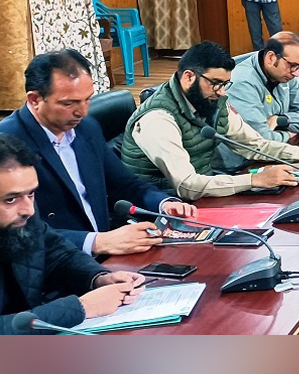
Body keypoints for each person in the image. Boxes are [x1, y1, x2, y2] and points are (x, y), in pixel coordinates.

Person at [0, 50, 195, 257]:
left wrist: (164, 204)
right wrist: (96, 242)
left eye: (87, 100)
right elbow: (16, 231)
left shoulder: (87, 128)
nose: (82, 112)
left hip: (105, 253)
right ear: (34, 99)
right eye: (69, 103)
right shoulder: (8, 143)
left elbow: (124, 184)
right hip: (52, 263)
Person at [120, 41, 299, 201]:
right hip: (163, 206)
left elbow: (255, 145)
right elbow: (187, 185)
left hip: (204, 194)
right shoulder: (158, 119)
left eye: (225, 84)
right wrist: (254, 180)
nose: (222, 92)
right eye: (216, 83)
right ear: (189, 77)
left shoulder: (211, 100)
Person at [0, 134, 145, 335]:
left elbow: (57, 255)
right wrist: (82, 308)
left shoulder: (23, 215)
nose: (29, 210)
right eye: (10, 199)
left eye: (31, 194)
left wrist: (98, 278)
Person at [220, 32, 299, 171]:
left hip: (273, 156)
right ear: (271, 57)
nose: (296, 73)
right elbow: (261, 141)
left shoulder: (285, 76)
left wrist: (282, 120)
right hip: (239, 167)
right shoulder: (242, 83)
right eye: (293, 65)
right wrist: (288, 134)